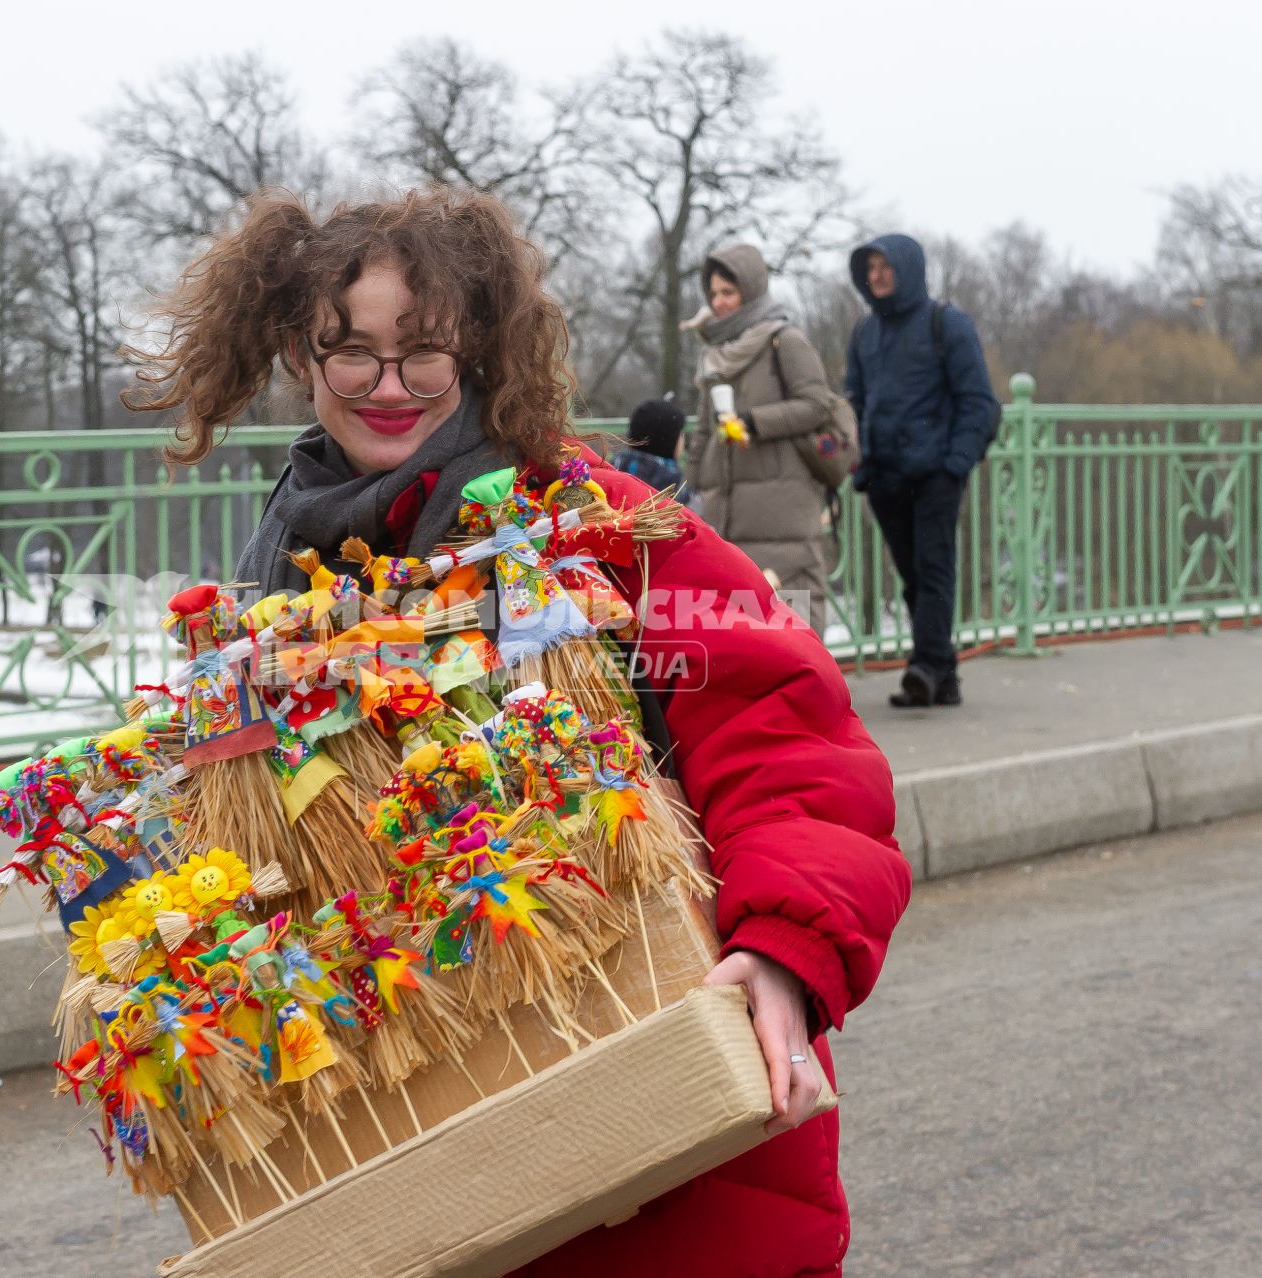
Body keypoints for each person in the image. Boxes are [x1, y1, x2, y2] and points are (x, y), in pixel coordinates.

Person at [127, 188, 910, 1277]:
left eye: (424, 351)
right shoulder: (272, 579)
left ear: (481, 349)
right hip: (439, 1178)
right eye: (349, 350)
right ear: (298, 357)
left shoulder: (597, 527)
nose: (388, 386)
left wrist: (786, 950)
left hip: (668, 1169)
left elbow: (791, 743)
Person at [844, 234, 999, 708]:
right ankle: (942, 676)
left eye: (884, 266)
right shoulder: (864, 334)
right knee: (913, 576)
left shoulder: (945, 324)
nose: (876, 276)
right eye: (869, 268)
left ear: (907, 268)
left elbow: (981, 404)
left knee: (934, 570)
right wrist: (857, 457)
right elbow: (855, 400)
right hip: (885, 478)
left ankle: (927, 666)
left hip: (935, 475)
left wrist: (954, 465)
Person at [682, 243, 839, 636]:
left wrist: (756, 422)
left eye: (728, 293)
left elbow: (817, 404)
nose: (718, 303)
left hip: (781, 510)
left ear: (750, 291)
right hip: (725, 514)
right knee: (742, 638)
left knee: (792, 629)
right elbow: (704, 428)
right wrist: (690, 486)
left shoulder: (784, 341)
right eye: (713, 294)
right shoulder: (716, 354)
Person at [610, 397, 690, 502]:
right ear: (668, 440)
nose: (683, 439)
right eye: (681, 434)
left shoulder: (615, 469)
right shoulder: (671, 486)